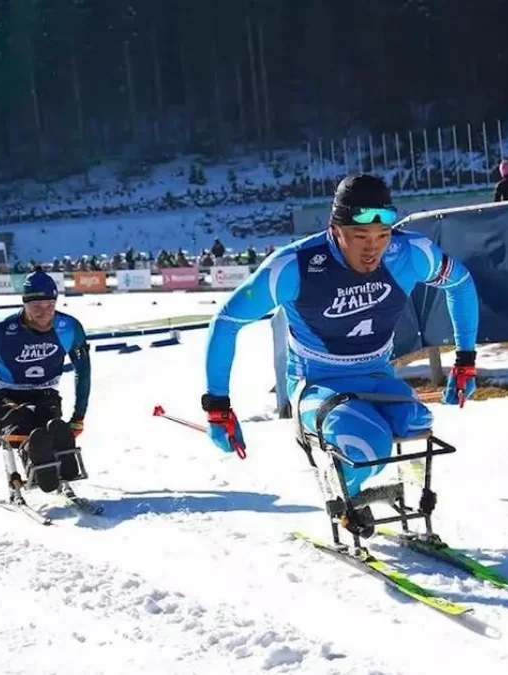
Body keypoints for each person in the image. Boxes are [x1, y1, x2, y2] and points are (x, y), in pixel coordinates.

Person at [201, 173, 480, 536]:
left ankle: (408, 505)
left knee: (416, 426)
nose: (372, 249)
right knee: (366, 443)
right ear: (335, 230)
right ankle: (342, 498)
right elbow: (226, 321)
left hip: (377, 376)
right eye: (359, 236)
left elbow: (460, 282)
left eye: (382, 236)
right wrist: (218, 408)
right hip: (316, 383)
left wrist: (466, 361)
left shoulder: (410, 252)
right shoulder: (295, 265)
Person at [0, 271, 91, 494]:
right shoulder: (0, 331)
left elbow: (83, 371)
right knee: (22, 420)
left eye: (50, 305)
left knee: (49, 420)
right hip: (5, 396)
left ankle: (59, 454)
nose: (45, 313)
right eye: (37, 307)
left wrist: (79, 416)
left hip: (45, 393)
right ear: (24, 304)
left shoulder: (69, 328)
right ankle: (39, 455)